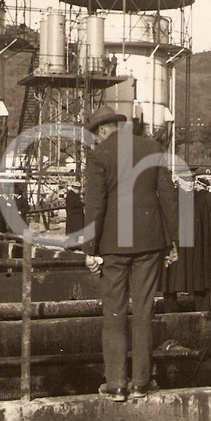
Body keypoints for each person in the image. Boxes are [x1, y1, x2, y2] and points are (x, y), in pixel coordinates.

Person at [82, 105, 179, 401]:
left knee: (114, 313)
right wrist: (172, 240)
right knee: (144, 311)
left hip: (112, 246)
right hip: (150, 243)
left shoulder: (99, 156)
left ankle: (116, 384)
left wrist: (90, 248)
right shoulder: (152, 147)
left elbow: (95, 205)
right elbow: (168, 197)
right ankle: (141, 382)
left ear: (100, 131)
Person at [161, 167, 211, 310]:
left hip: (196, 246)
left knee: (198, 277)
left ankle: (202, 309)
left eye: (192, 180)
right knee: (172, 280)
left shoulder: (199, 199)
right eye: (186, 180)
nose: (190, 184)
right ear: (178, 180)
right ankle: (170, 309)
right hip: (177, 246)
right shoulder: (171, 199)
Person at [65, 178, 85, 245]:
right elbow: (75, 204)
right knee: (73, 233)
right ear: (74, 188)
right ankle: (70, 246)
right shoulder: (71, 195)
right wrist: (82, 203)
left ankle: (73, 245)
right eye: (78, 189)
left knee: (75, 233)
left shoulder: (73, 195)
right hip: (74, 218)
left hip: (75, 218)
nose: (79, 190)